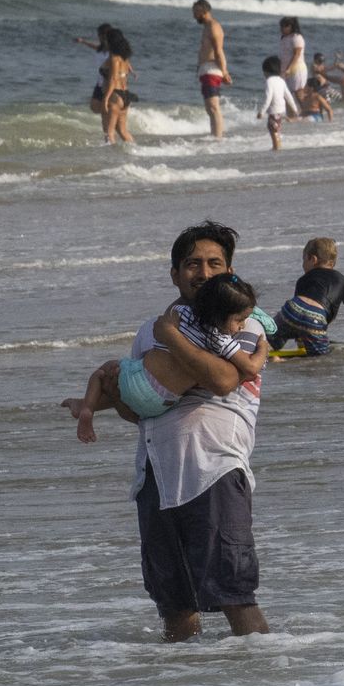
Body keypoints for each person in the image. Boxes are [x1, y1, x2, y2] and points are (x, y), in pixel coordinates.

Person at [123, 222, 272, 641]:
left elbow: (223, 378)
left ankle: (268, 684)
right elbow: (136, 406)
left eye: (214, 263)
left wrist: (168, 333)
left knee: (235, 596)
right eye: (192, 264)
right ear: (174, 273)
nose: (203, 273)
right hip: (155, 474)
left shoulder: (245, 322)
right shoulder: (145, 331)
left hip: (214, 469)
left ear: (230, 272)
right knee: (174, 606)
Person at [62, 273, 261, 444]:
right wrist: (262, 350)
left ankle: (87, 408)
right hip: (161, 405)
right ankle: (86, 405)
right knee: (139, 384)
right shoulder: (222, 341)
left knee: (103, 373)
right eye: (239, 320)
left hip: (136, 383)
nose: (243, 326)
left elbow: (160, 331)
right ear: (219, 315)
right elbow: (251, 369)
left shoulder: (179, 312)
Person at [270, 237, 344, 356]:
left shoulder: (302, 279)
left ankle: (271, 354)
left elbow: (300, 313)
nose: (302, 264)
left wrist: (301, 343)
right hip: (315, 318)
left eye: (303, 260)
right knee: (321, 360)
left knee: (271, 339)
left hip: (290, 310)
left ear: (313, 259)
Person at [192, 0, 231, 138]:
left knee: (213, 107)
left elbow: (219, 51)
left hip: (212, 70)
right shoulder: (207, 27)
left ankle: (218, 138)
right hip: (206, 70)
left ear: (204, 11)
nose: (194, 16)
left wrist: (224, 72)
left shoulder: (214, 27)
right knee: (209, 108)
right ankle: (215, 135)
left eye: (196, 12)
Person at [94, 28, 136, 145]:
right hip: (126, 95)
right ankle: (136, 151)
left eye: (106, 39)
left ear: (110, 41)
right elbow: (124, 74)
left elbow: (113, 79)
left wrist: (105, 99)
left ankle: (110, 160)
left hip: (115, 96)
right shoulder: (124, 57)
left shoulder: (114, 58)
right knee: (123, 131)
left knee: (109, 132)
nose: (104, 41)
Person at [257, 55, 300, 151]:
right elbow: (288, 96)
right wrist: (295, 109)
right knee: (276, 129)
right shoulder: (281, 81)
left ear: (266, 71)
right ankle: (277, 145)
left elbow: (268, 98)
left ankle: (276, 147)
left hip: (274, 110)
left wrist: (262, 112)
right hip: (281, 110)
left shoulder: (269, 81)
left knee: (272, 129)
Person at [278, 17, 308, 101]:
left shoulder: (296, 37)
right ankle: (291, 113)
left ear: (290, 26)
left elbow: (297, 54)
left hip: (296, 69)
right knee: (287, 95)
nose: (281, 29)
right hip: (285, 70)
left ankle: (305, 111)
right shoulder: (284, 38)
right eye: (281, 26)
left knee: (298, 93)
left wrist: (289, 68)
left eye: (283, 27)